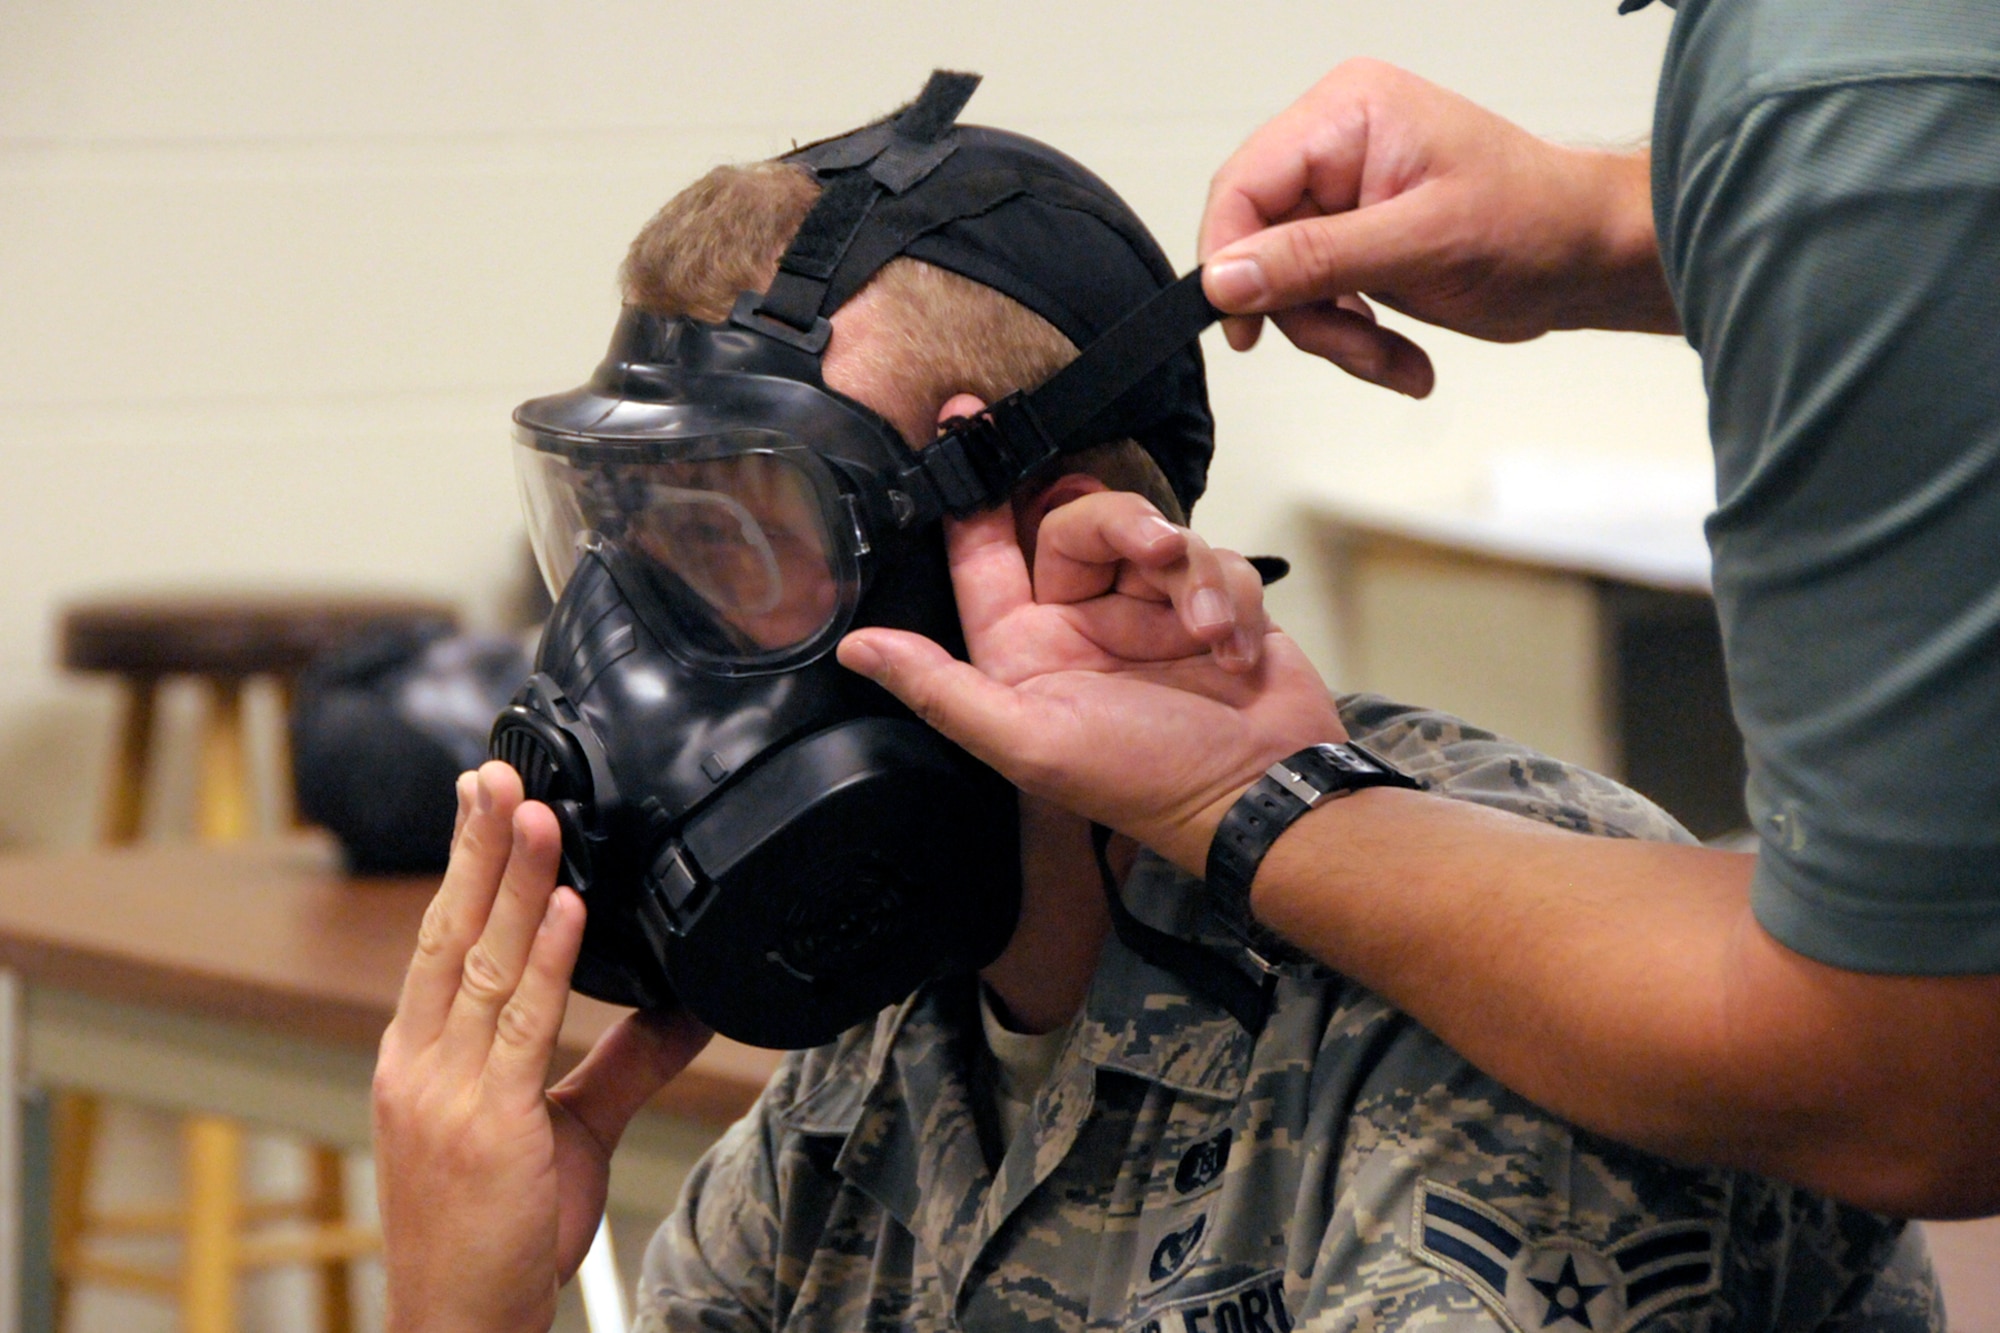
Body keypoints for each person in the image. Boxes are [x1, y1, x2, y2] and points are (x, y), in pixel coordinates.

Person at [372, 111, 1940, 1330]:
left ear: (1024, 539)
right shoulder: (878, 1083)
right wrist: (473, 1302)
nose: (621, 657)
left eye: (729, 553)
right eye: (620, 551)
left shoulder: (1504, 1015)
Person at [836, 2, 2000, 1220]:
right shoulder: (863, 1082)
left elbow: (1904, 1073)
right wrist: (1618, 216)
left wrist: (1247, 797)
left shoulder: (1853, 53)